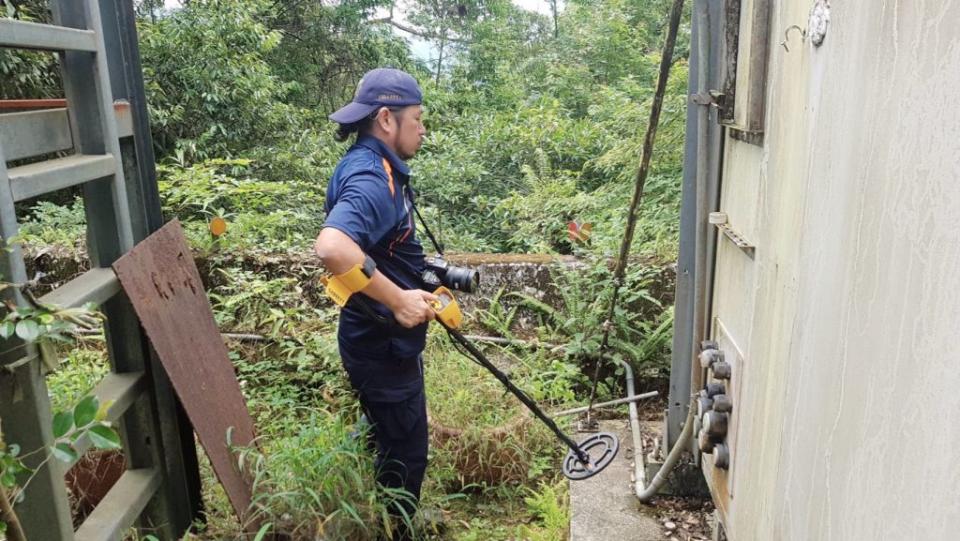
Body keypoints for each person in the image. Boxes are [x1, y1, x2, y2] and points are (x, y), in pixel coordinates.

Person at [313, 68, 436, 537]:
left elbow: (376, 247)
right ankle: (397, 528)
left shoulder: (373, 164)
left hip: (378, 341)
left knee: (387, 435)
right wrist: (398, 299)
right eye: (418, 118)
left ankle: (383, 516)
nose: (423, 128)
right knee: (407, 450)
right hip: (380, 345)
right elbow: (332, 247)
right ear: (387, 118)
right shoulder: (371, 175)